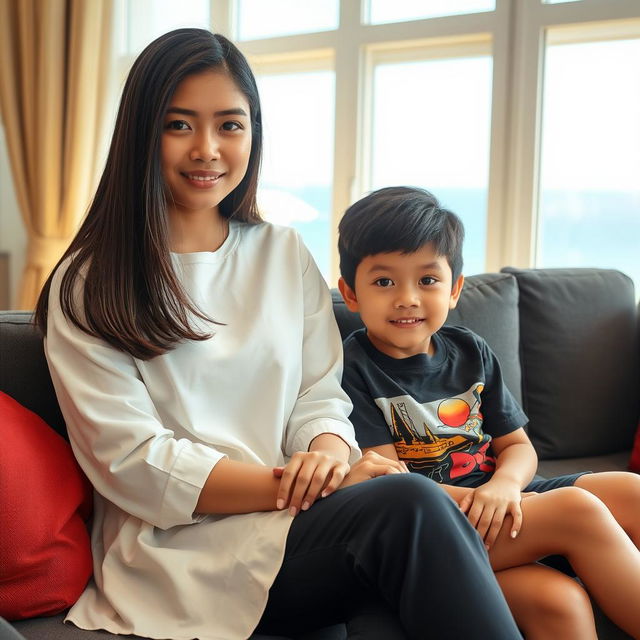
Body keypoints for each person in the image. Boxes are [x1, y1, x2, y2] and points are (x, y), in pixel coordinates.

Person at [34, 30, 524, 640]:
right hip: (184, 548)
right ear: (141, 132)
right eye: (179, 125)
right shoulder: (90, 283)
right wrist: (309, 482)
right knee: (415, 506)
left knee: (390, 600)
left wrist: (324, 453)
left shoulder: (282, 251)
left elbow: (320, 396)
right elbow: (135, 463)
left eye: (230, 126)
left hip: (303, 515)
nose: (208, 149)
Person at [337, 185, 640, 640]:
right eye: (384, 281)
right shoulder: (352, 369)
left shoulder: (469, 350)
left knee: (628, 491)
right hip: (439, 524)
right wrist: (501, 503)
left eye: (427, 280)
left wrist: (504, 488)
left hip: (500, 499)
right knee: (568, 551)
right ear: (350, 293)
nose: (407, 298)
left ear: (455, 288)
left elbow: (517, 446)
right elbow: (391, 490)